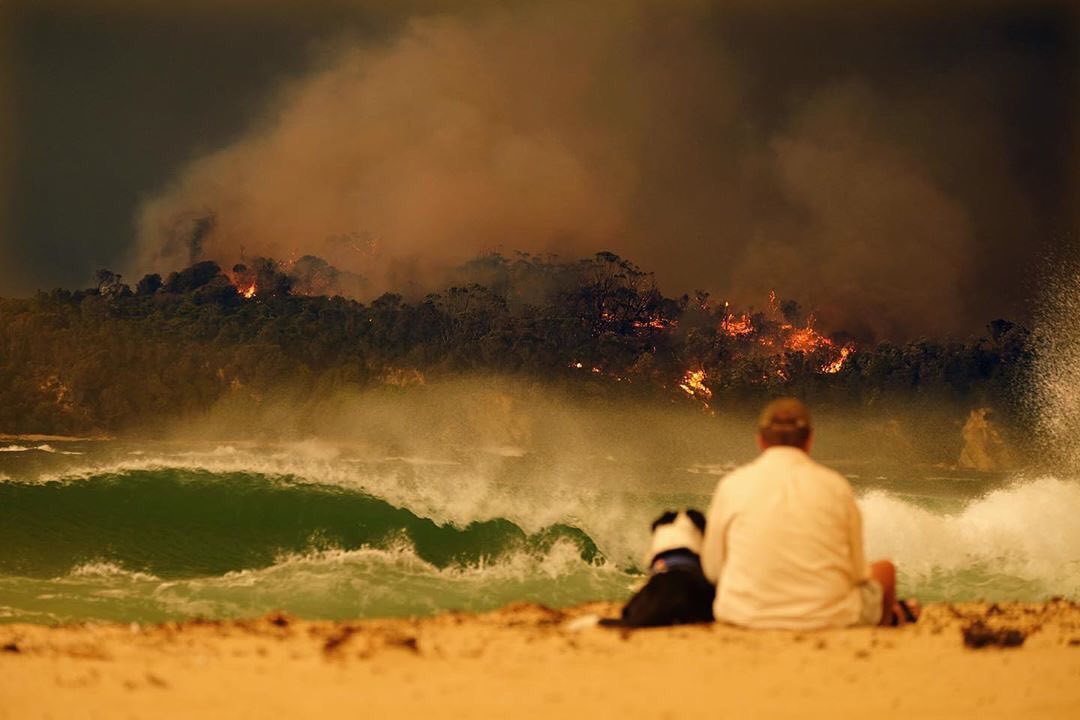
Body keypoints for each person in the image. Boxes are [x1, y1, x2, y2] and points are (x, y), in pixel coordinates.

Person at [701, 397, 915, 629]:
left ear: (760, 440)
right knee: (885, 570)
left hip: (742, 616)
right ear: (809, 440)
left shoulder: (732, 485)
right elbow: (857, 573)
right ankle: (883, 629)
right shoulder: (836, 486)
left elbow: (713, 570)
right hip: (829, 619)